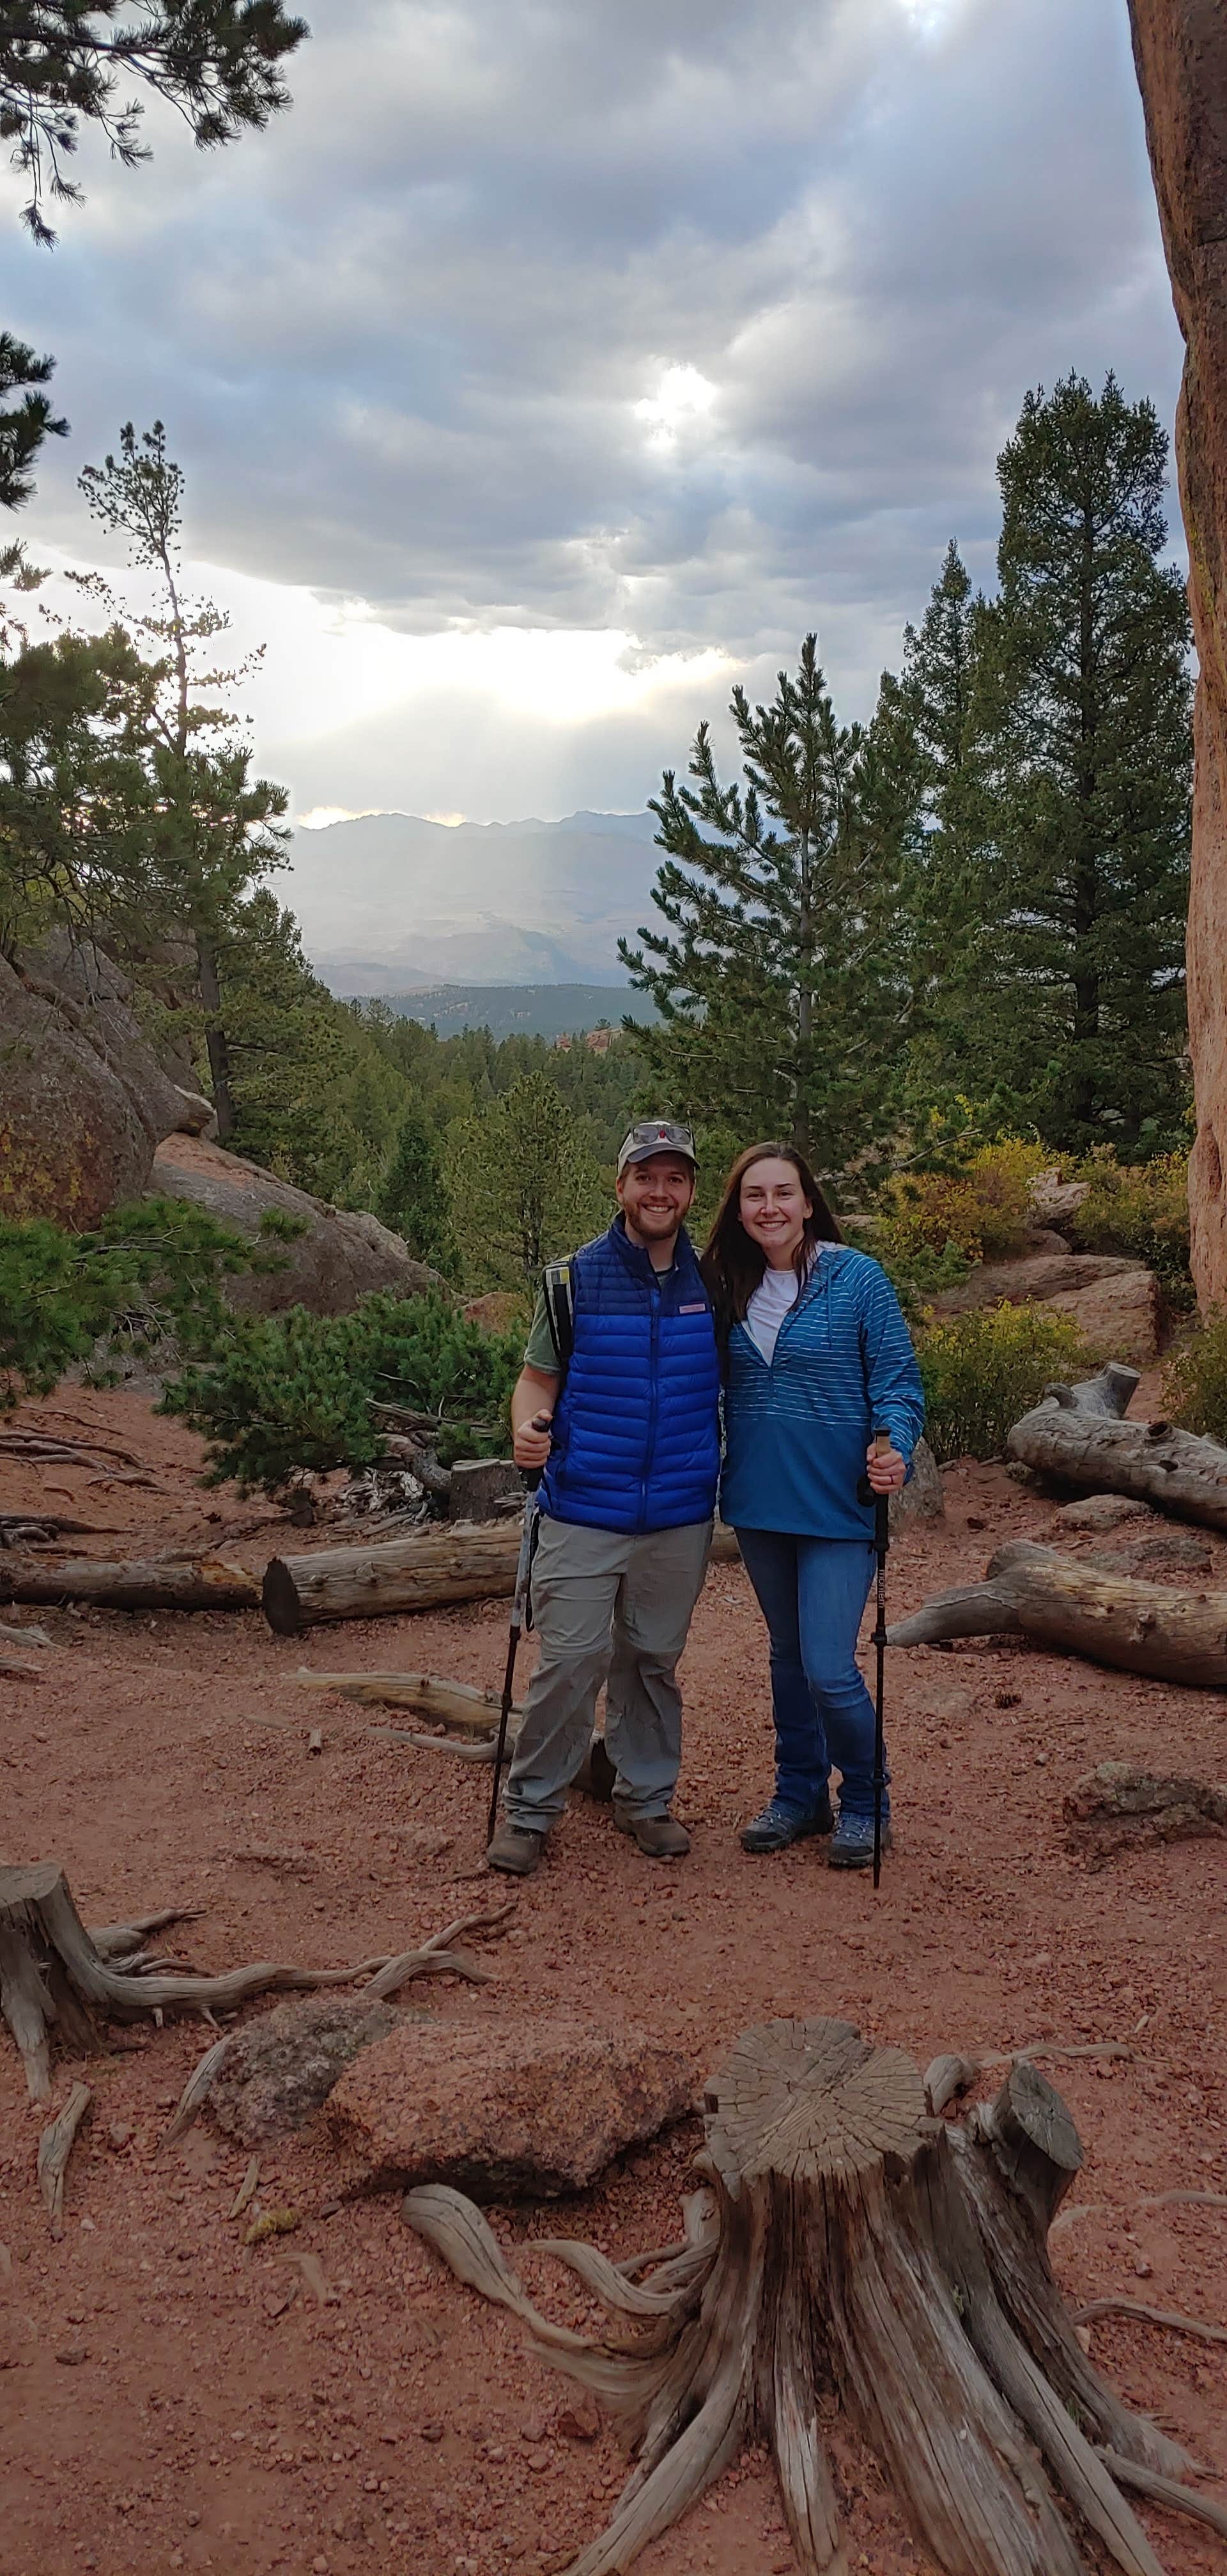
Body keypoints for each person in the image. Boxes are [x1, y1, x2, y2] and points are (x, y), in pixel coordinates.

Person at [487, 1119, 721, 1879]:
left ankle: (644, 1798)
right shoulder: (573, 1279)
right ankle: (530, 1810)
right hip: (583, 1504)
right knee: (572, 1659)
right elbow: (536, 1379)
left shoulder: (715, 1282)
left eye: (675, 1178)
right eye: (645, 1176)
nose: (661, 1191)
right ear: (620, 1186)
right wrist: (527, 1427)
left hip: (679, 1514)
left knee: (652, 1659)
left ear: (690, 1190)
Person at [702, 1142, 925, 1869]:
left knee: (831, 1665)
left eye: (783, 1193)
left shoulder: (857, 1277)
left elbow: (898, 1382)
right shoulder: (723, 1281)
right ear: (738, 1209)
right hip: (760, 1501)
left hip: (839, 1502)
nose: (770, 1207)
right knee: (789, 1658)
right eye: (755, 1194)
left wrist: (895, 1443)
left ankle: (866, 1799)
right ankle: (799, 1793)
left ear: (806, 1202)